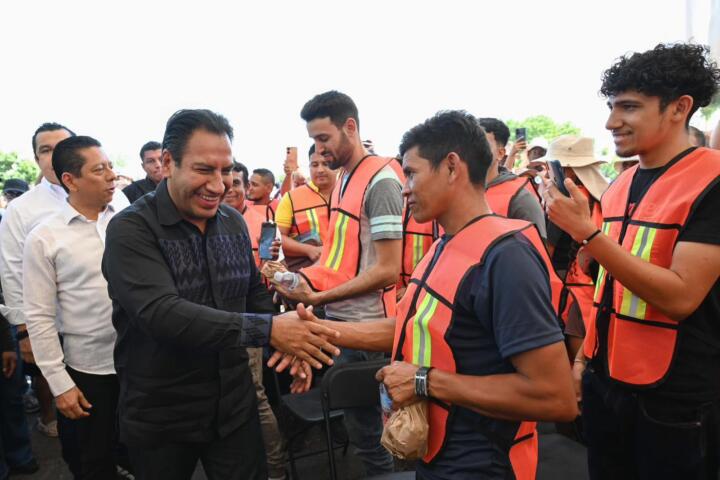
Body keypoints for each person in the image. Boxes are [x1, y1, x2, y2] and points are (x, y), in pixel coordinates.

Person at [274, 110, 577, 479]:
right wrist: (316, 333)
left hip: (485, 466)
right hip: (439, 457)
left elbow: (556, 397)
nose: (404, 188)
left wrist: (424, 381)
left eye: (412, 174)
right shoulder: (444, 245)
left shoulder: (506, 257)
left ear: (452, 167)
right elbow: (411, 326)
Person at [101, 108, 339, 480]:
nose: (219, 184)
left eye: (225, 170)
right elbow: (162, 314)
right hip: (162, 412)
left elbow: (250, 293)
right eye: (204, 170)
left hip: (233, 405)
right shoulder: (131, 230)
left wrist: (294, 342)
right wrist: (270, 331)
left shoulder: (231, 222)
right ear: (167, 162)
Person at [545, 43, 720, 479]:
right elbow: (608, 285)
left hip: (675, 397)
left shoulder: (712, 182)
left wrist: (588, 234)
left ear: (680, 108)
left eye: (629, 107)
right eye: (610, 106)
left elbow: (680, 296)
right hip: (608, 383)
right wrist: (583, 363)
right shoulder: (621, 186)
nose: (611, 122)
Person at [275, 90, 403, 476]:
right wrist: (303, 285)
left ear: (350, 127)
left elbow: (387, 270)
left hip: (370, 330)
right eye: (314, 140)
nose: (319, 149)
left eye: (324, 138)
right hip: (342, 322)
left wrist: (318, 295)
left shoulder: (380, 183)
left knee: (381, 436)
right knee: (361, 430)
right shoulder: (346, 178)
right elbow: (340, 257)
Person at [23, 135, 125, 479]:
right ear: (70, 180)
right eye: (99, 170)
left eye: (110, 166)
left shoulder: (128, 221)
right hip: (88, 370)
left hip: (141, 361)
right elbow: (38, 314)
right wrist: (59, 383)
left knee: (143, 449)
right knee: (92, 459)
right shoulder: (45, 238)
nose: (112, 176)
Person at [222, 160, 288, 480]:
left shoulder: (264, 218)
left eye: (237, 183)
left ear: (246, 187)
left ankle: (275, 470)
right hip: (217, 323)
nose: (230, 188)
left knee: (256, 396)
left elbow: (274, 265)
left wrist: (276, 256)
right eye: (226, 181)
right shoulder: (207, 219)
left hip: (253, 315)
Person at [533, 135, 609, 360]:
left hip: (570, 292)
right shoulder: (602, 198)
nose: (546, 172)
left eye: (550, 167)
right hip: (595, 287)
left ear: (566, 171)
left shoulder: (563, 203)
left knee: (574, 366)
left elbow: (546, 251)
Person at [477, 117, 547, 239]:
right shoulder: (456, 193)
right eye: (470, 144)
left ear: (500, 153)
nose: (473, 150)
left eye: (482, 145)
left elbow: (536, 251)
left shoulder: (522, 200)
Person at [275, 145, 335, 270]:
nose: (320, 170)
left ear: (337, 165)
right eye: (314, 165)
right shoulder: (290, 198)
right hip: (308, 275)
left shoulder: (350, 192)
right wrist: (310, 250)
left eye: (326, 163)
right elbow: (278, 238)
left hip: (349, 273)